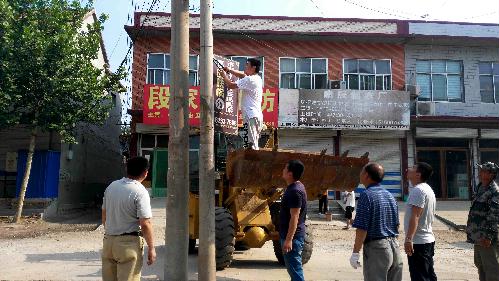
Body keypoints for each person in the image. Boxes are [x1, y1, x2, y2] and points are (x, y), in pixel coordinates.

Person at [101, 156, 156, 281]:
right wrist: (152, 248)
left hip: (109, 242)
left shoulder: (111, 186)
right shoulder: (140, 191)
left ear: (127, 169)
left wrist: (112, 233)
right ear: (145, 173)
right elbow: (145, 223)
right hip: (128, 244)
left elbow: (104, 215)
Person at [350, 162, 403, 281]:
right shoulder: (390, 195)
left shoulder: (366, 195)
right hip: (394, 247)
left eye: (362, 171)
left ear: (367, 175)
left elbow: (362, 228)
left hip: (377, 249)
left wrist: (355, 253)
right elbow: (396, 225)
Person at [466, 162, 499, 281]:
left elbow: (494, 216)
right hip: (478, 235)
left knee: (491, 268)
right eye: (481, 170)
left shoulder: (494, 191)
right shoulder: (481, 187)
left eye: (484, 171)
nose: (480, 173)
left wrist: (488, 237)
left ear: (491, 174)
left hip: (486, 237)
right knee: (480, 266)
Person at [404, 162, 437, 281]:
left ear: (418, 174)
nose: (408, 169)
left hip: (419, 242)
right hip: (425, 240)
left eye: (412, 168)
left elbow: (416, 216)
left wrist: (409, 239)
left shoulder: (418, 190)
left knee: (420, 277)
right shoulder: (427, 189)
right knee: (428, 275)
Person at [222, 58, 263, 150]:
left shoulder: (250, 80)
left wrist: (224, 76)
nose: (245, 66)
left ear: (253, 67)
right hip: (254, 116)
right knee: (251, 143)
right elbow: (243, 76)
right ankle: (251, 160)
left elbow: (230, 85)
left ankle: (252, 162)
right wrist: (230, 70)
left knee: (251, 145)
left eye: (247, 64)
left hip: (251, 116)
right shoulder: (257, 78)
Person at [280, 160, 307, 281]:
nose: (283, 170)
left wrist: (289, 239)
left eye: (285, 168)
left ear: (290, 174)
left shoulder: (294, 191)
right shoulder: (296, 186)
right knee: (294, 270)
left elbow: (294, 217)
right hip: (293, 237)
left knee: (295, 272)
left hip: (293, 238)